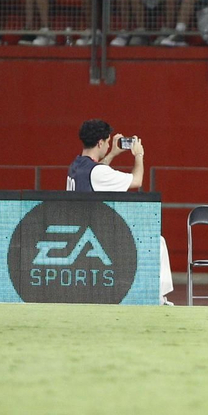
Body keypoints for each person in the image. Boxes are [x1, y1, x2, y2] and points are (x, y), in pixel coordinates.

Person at [68, 118, 175, 304]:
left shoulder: (75, 166)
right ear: (100, 143)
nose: (108, 145)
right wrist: (139, 155)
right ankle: (159, 298)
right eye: (107, 142)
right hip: (96, 237)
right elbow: (137, 180)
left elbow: (97, 172)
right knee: (157, 241)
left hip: (81, 230)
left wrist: (112, 154)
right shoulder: (97, 173)